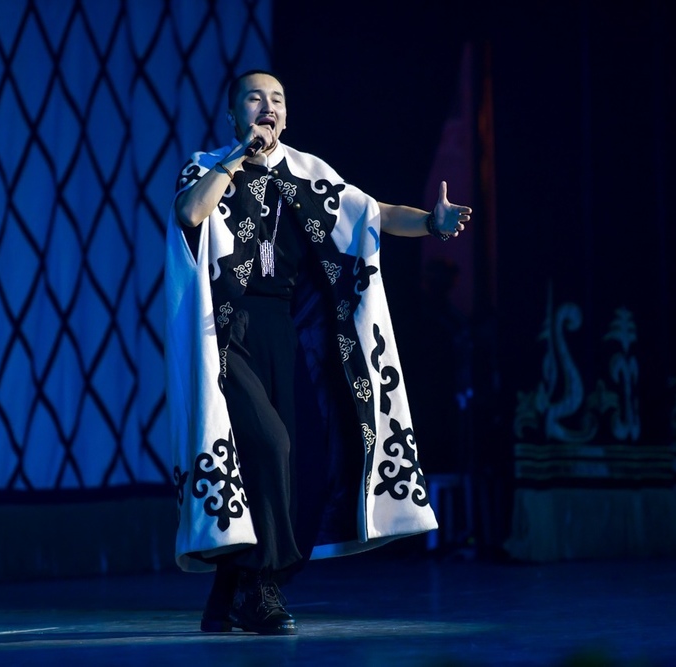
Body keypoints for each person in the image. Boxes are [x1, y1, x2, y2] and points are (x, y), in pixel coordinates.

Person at [164, 69, 472, 635]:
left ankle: (227, 591)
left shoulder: (308, 174)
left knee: (289, 463)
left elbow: (374, 214)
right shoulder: (206, 166)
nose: (268, 106)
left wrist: (432, 223)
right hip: (225, 333)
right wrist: (237, 159)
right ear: (233, 114)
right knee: (267, 445)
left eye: (277, 99)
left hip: (283, 333)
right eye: (254, 98)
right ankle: (263, 588)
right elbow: (190, 214)